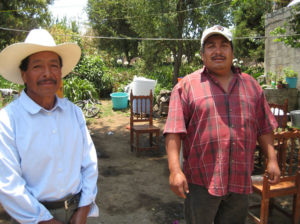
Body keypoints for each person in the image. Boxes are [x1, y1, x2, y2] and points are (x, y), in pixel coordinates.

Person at [164, 25, 281, 224]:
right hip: (201, 182)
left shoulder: (251, 85)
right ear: (202, 54)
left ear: (232, 52)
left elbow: (264, 126)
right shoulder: (186, 86)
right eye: (211, 46)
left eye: (224, 45)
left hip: (240, 180)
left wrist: (272, 159)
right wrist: (175, 171)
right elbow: (173, 132)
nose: (218, 51)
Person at [0, 29, 99, 223]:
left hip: (76, 213)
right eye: (37, 66)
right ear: (24, 75)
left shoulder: (74, 113)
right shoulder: (7, 121)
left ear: (60, 72)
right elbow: (8, 184)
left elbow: (89, 164)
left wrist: (84, 209)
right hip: (30, 218)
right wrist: (46, 220)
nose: (47, 73)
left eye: (53, 66)